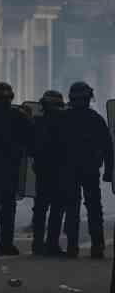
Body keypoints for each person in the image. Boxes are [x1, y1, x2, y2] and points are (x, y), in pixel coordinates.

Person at [60, 81, 114, 258]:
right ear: (88, 98)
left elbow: (54, 147)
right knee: (93, 207)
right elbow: (107, 147)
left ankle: (72, 247)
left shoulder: (64, 119)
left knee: (72, 207)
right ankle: (97, 246)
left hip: (70, 170)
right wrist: (108, 170)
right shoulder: (95, 118)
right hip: (89, 169)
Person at [0, 82, 33, 255]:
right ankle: (5, 244)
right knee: (6, 206)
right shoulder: (18, 115)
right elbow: (30, 139)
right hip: (9, 166)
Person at [32, 90, 68, 256]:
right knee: (56, 208)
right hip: (58, 171)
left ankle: (38, 244)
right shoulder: (65, 123)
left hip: (43, 171)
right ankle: (51, 244)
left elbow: (30, 148)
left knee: (41, 208)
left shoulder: (37, 123)